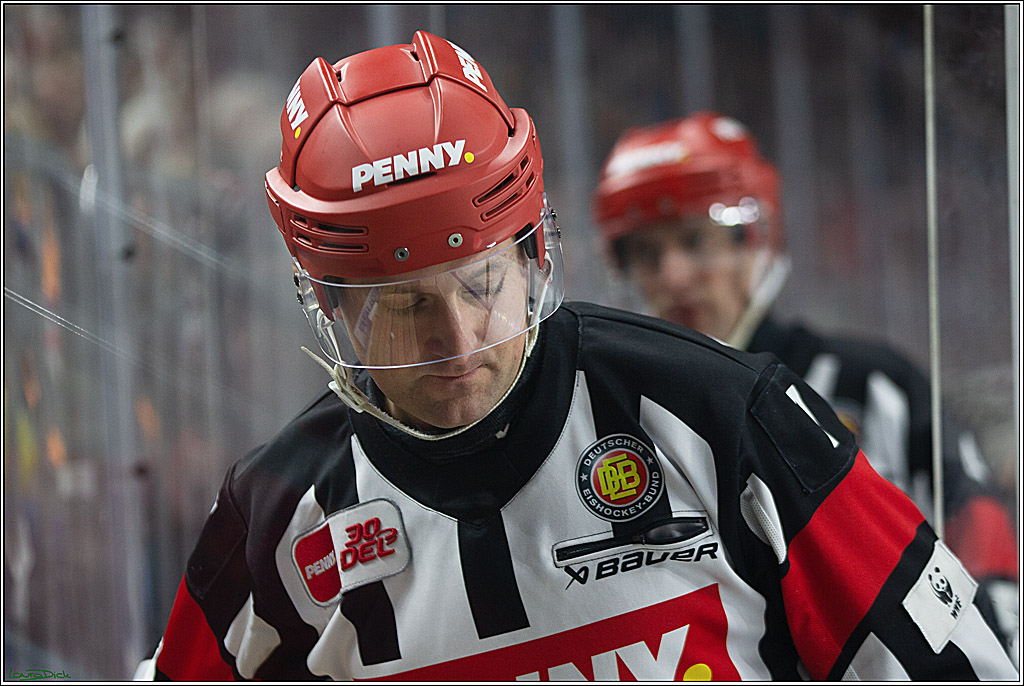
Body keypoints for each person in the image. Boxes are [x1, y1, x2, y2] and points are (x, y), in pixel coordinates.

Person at [138, 33, 1016, 680]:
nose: (457, 342)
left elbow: (965, 664)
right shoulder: (271, 520)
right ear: (330, 308)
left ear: (532, 256)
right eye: (402, 306)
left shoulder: (725, 413)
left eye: (480, 284)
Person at [591, 111, 1020, 661]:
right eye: (648, 254)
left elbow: (980, 531)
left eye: (696, 241)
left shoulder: (871, 386)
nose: (673, 276)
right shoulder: (621, 420)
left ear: (756, 239)